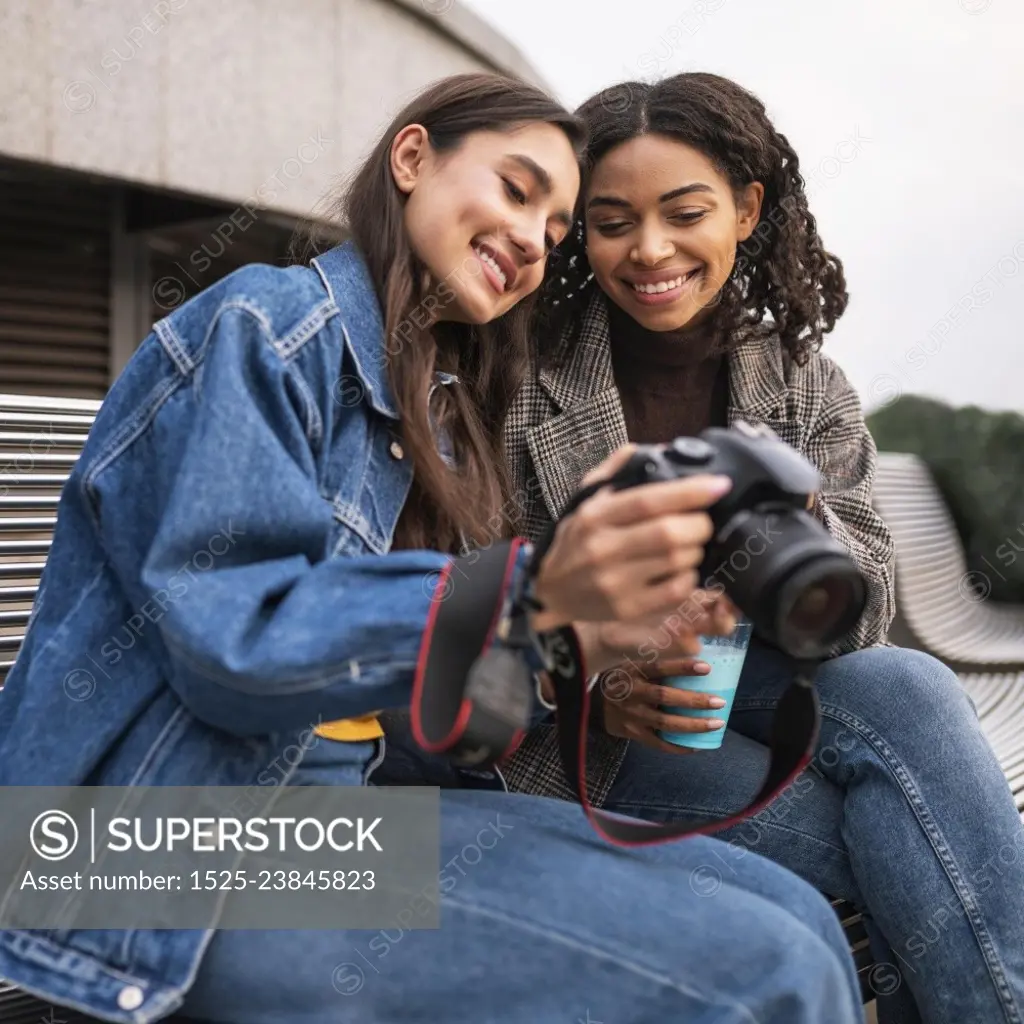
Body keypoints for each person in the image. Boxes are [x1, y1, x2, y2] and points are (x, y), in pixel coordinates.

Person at [0, 73, 864, 1024]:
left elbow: (424, 727)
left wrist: (571, 649)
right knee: (770, 969)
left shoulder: (439, 411)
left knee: (796, 917)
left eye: (559, 227)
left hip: (346, 824)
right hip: (151, 855)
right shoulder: (267, 327)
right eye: (517, 189)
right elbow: (230, 652)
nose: (535, 238)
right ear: (412, 160)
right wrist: (526, 594)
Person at [495, 73, 1024, 1024]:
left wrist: (803, 525)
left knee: (913, 688)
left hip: (786, 678)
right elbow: (470, 595)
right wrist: (594, 677)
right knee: (905, 841)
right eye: (612, 220)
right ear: (580, 228)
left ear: (744, 210)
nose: (649, 249)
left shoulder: (801, 380)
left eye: (683, 211)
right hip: (617, 727)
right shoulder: (521, 383)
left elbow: (863, 605)